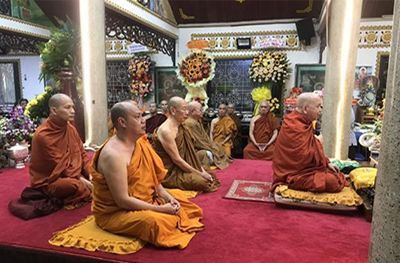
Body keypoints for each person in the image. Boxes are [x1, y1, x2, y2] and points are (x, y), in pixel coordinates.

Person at [90, 100, 204, 249]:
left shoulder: (140, 143)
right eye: (138, 117)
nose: (144, 120)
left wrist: (169, 197)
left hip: (146, 199)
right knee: (155, 223)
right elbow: (122, 201)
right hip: (117, 212)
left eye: (142, 115)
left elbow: (154, 181)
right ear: (122, 122)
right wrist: (161, 209)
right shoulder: (113, 155)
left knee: (189, 208)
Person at [272, 92, 347, 193]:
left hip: (304, 169)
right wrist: (319, 142)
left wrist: (326, 162)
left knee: (334, 172)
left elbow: (308, 146)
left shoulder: (304, 121)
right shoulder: (294, 125)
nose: (320, 110)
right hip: (293, 173)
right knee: (332, 182)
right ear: (305, 109)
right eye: (318, 106)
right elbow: (302, 156)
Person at [30, 93, 92, 207]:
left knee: (100, 170)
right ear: (54, 110)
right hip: (51, 180)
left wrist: (91, 174)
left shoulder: (70, 128)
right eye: (67, 107)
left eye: (73, 107)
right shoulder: (43, 135)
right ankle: (84, 189)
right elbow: (62, 167)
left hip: (76, 174)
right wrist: (87, 182)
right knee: (73, 185)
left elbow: (82, 154)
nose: (73, 111)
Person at [153, 97, 220, 192]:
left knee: (209, 174)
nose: (187, 112)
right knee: (202, 181)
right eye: (184, 109)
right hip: (170, 173)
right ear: (173, 110)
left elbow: (191, 154)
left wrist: (202, 171)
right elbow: (177, 160)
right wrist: (200, 174)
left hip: (182, 166)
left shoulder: (182, 126)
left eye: (187, 109)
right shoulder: (166, 131)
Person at [183, 101, 230, 170]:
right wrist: (211, 147)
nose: (203, 111)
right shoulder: (189, 123)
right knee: (207, 153)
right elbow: (197, 142)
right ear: (193, 111)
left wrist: (212, 145)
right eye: (200, 110)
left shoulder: (197, 121)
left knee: (218, 147)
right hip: (194, 150)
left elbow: (204, 137)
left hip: (203, 145)